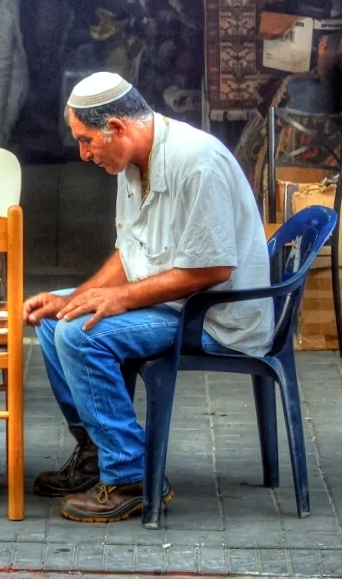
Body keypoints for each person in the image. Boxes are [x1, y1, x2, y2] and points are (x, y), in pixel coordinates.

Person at [24, 72, 274, 523]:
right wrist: (76, 297)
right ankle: (97, 451)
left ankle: (131, 476)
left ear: (116, 128)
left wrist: (118, 300)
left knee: (80, 335)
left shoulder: (197, 162)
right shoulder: (131, 162)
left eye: (85, 141)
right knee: (55, 318)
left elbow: (212, 270)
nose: (83, 154)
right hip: (174, 302)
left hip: (216, 316)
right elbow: (130, 253)